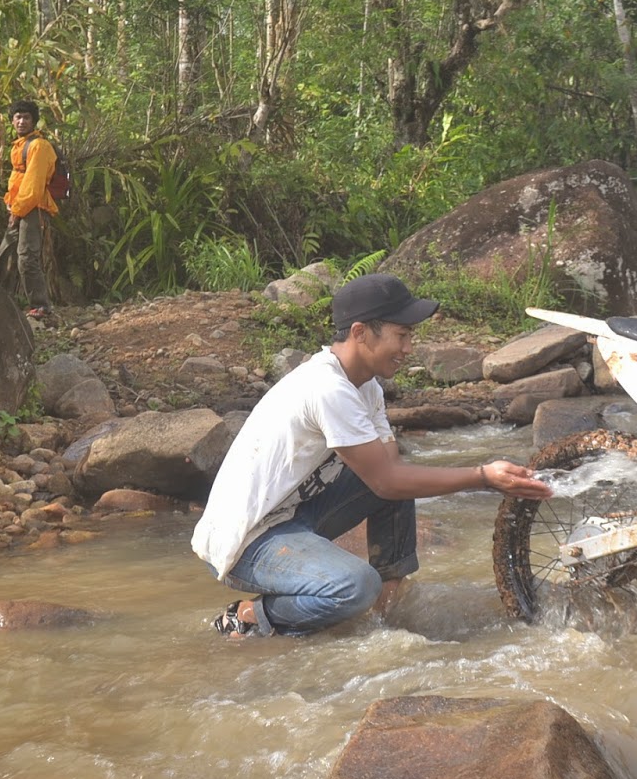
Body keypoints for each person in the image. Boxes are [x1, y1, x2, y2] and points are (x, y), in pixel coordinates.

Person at [191, 273, 553, 638]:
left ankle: (387, 606)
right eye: (402, 335)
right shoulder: (327, 388)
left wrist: (476, 476)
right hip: (246, 541)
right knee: (355, 586)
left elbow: (392, 475)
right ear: (361, 333)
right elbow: (387, 479)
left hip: (294, 514)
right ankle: (252, 615)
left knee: (396, 487)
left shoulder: (366, 388)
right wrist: (483, 476)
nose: (408, 348)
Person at [0, 99, 58, 319]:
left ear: (34, 121)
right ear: (12, 120)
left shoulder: (39, 146)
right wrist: (10, 203)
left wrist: (17, 211)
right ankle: (0, 301)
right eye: (18, 117)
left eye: (26, 117)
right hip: (19, 207)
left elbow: (33, 185)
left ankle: (41, 306)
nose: (22, 121)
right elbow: (17, 179)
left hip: (34, 208)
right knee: (5, 252)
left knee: (27, 256)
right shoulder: (20, 145)